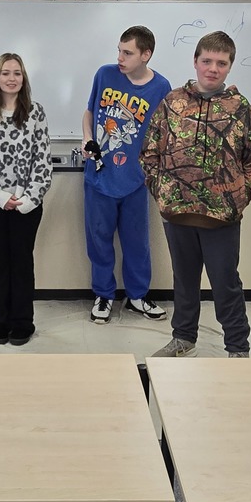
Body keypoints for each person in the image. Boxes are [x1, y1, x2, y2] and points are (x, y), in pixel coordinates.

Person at [142, 31, 251, 358]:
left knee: (226, 284)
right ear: (195, 62)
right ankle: (184, 337)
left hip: (221, 217)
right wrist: (162, 191)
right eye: (207, 61)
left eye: (221, 63)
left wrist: (239, 196)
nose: (213, 68)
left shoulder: (240, 108)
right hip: (178, 213)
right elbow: (150, 151)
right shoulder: (172, 103)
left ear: (229, 67)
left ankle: (238, 347)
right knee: (184, 281)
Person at [82, 25, 172, 324]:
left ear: (146, 55)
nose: (120, 58)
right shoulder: (104, 75)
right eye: (119, 50)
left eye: (128, 52)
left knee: (137, 242)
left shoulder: (161, 88)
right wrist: (86, 138)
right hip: (99, 175)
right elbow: (89, 113)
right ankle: (104, 296)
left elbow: (164, 133)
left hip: (135, 179)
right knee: (99, 241)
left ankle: (137, 296)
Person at [0, 53, 53, 346]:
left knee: (21, 262)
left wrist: (30, 197)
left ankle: (22, 322)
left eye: (17, 73)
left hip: (27, 203)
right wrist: (0, 196)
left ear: (24, 78)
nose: (12, 78)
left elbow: (43, 160)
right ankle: (0, 321)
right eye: (6, 73)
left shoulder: (35, 112)